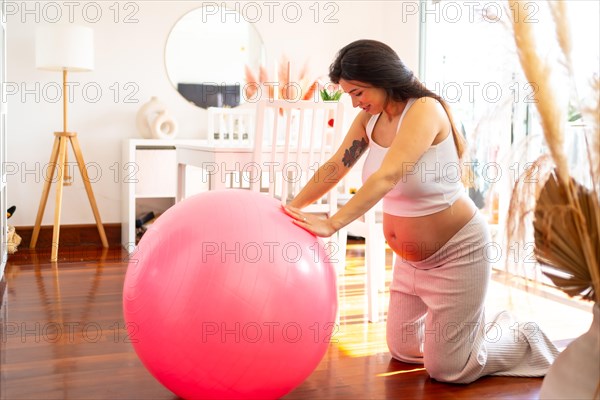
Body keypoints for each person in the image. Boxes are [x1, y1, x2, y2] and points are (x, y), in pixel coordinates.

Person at [283, 39, 558, 384]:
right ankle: (468, 330)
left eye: (358, 92)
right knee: (404, 350)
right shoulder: (370, 120)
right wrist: (290, 208)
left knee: (449, 370)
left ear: (381, 78)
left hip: (458, 253)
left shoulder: (425, 109)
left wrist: (333, 222)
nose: (355, 103)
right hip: (410, 263)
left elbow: (388, 175)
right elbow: (336, 166)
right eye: (349, 95)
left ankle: (520, 337)